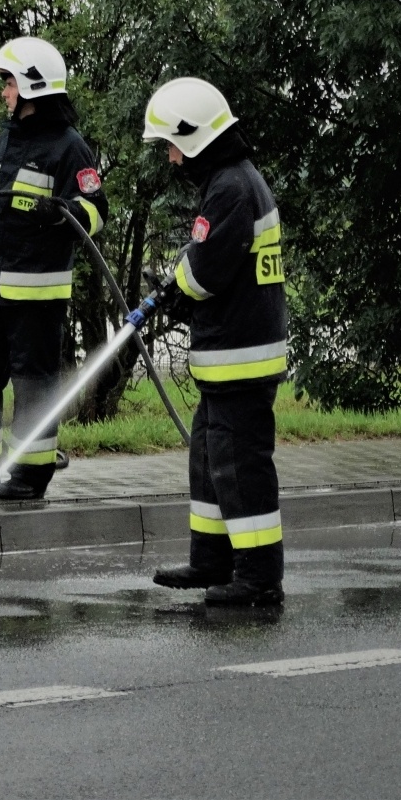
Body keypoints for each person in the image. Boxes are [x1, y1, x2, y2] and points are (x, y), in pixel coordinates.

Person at [0, 37, 108, 502]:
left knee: (33, 387)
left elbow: (96, 210)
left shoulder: (70, 147)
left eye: (9, 83)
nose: (4, 92)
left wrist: (64, 212)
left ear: (32, 86)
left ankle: (31, 477)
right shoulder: (8, 137)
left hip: (37, 297)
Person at [141, 77, 288, 606]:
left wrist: (169, 293)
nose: (172, 159)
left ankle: (258, 577)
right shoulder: (233, 182)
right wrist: (174, 287)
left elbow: (205, 272)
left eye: (173, 146)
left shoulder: (230, 187)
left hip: (240, 361)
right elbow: (203, 258)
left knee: (240, 470)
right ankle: (211, 561)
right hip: (229, 359)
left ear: (196, 136)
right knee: (208, 460)